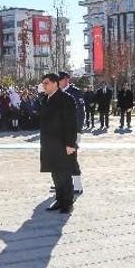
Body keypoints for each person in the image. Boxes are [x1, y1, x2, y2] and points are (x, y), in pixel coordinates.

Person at [39, 73, 78, 214]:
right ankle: (59, 199)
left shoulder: (66, 99)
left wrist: (70, 144)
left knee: (64, 174)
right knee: (55, 173)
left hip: (63, 143)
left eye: (47, 82)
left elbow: (71, 124)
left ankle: (67, 203)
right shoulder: (45, 99)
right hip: (49, 144)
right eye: (43, 83)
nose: (44, 85)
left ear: (55, 83)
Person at [58, 72, 85, 195]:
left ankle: (77, 185)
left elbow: (80, 114)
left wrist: (78, 131)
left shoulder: (75, 92)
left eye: (60, 80)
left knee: (71, 157)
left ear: (66, 80)